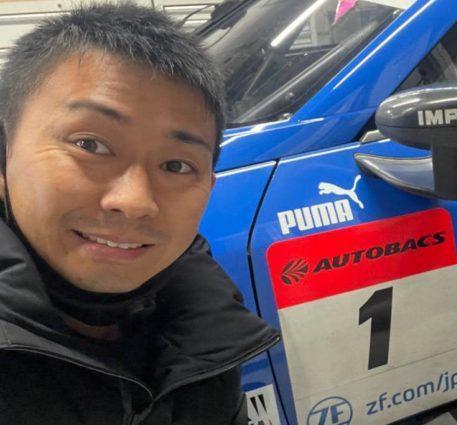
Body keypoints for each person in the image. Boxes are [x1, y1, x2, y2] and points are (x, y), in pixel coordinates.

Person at [0, 4, 279, 424]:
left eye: (176, 165)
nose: (135, 201)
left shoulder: (206, 327)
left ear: (208, 186)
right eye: (90, 145)